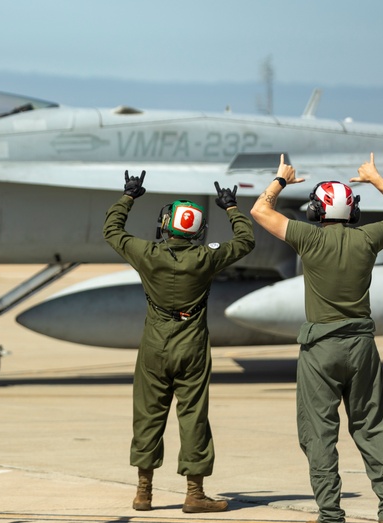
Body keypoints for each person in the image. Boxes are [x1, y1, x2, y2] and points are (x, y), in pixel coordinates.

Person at [250, 154, 383, 523]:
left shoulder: (307, 237)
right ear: (352, 212)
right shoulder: (368, 238)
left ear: (315, 211)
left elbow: (260, 211)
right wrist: (375, 178)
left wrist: (280, 180)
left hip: (320, 351)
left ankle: (330, 515)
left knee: (319, 434)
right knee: (373, 428)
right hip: (362, 350)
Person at [103, 171, 254, 514]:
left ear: (167, 225)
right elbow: (246, 241)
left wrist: (128, 196)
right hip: (192, 346)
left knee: (147, 415)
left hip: (154, 345)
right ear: (196, 231)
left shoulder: (147, 253)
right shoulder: (206, 258)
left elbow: (111, 230)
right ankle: (194, 494)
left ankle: (143, 493)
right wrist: (231, 207)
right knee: (193, 416)